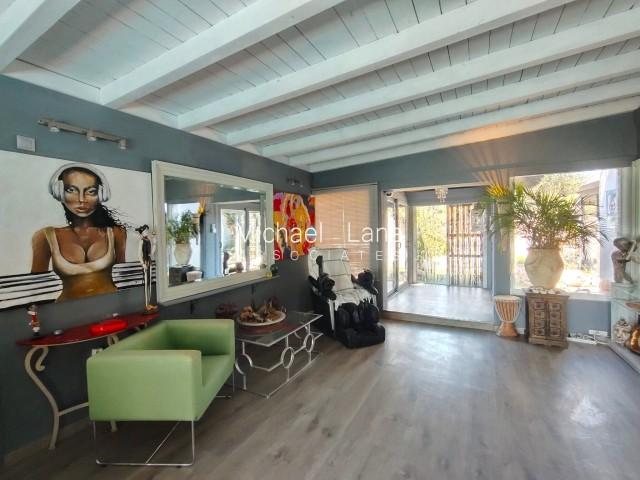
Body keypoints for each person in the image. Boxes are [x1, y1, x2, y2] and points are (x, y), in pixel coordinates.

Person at [31, 163, 127, 301]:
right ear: (59, 192)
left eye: (91, 191)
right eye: (71, 190)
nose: (81, 199)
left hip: (110, 306)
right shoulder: (44, 236)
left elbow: (123, 281)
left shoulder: (116, 233)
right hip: (66, 310)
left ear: (101, 194)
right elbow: (37, 291)